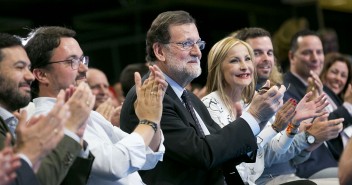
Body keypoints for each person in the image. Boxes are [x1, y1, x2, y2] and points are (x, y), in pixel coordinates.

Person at [120, 10, 287, 185]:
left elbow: (222, 150)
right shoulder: (151, 95)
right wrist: (253, 116)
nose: (197, 52)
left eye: (198, 44)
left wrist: (261, 120)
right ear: (159, 51)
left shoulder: (189, 98)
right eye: (186, 44)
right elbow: (202, 154)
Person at [25, 26, 167, 185]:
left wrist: (154, 112)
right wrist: (148, 121)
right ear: (42, 75)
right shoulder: (44, 119)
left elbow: (148, 155)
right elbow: (114, 166)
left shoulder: (89, 114)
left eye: (82, 59)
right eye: (72, 61)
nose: (84, 68)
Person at [202, 36, 329, 184]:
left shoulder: (255, 99)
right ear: (218, 67)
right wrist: (274, 128)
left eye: (248, 59)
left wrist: (293, 124)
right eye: (234, 60)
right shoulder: (209, 104)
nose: (244, 66)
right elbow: (237, 157)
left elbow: (275, 150)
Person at [235, 27, 344, 185]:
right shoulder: (240, 100)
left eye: (270, 52)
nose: (266, 58)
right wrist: (309, 136)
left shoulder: (275, 93)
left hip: (292, 176)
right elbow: (260, 158)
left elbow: (293, 158)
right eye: (257, 53)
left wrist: (315, 136)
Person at [0, 32, 88, 185]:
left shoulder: (13, 125)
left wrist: (76, 136)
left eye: (28, 67)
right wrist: (70, 131)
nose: (30, 76)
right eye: (19, 67)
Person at [280, 29, 350, 181]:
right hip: (309, 167)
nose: (315, 58)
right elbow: (294, 137)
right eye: (307, 52)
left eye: (319, 52)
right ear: (292, 56)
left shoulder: (324, 88)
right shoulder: (284, 89)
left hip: (336, 162)